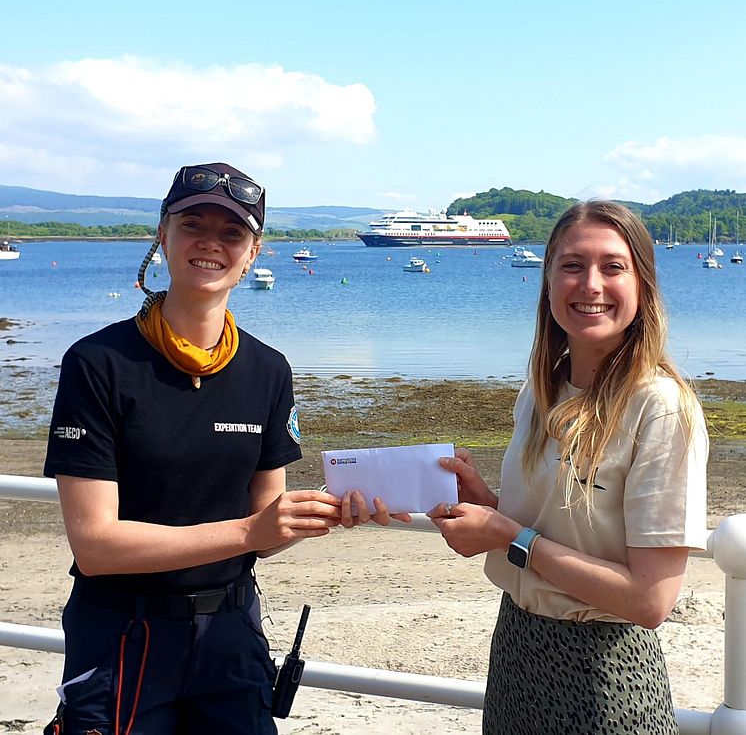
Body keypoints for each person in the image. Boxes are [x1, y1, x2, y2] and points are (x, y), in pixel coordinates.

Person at [43, 162, 389, 735]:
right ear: (162, 235)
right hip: (121, 634)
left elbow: (266, 527)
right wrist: (253, 533)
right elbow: (96, 546)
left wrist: (317, 515)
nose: (210, 243)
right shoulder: (97, 364)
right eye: (192, 225)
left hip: (231, 636)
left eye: (232, 233)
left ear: (253, 253)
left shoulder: (268, 371)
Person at [428, 200, 708, 734]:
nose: (591, 284)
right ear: (549, 279)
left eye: (612, 266)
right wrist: (483, 502)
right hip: (516, 645)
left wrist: (508, 533)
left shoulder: (661, 406)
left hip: (604, 668)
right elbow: (553, 529)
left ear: (643, 285)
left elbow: (649, 600)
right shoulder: (540, 392)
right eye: (572, 265)